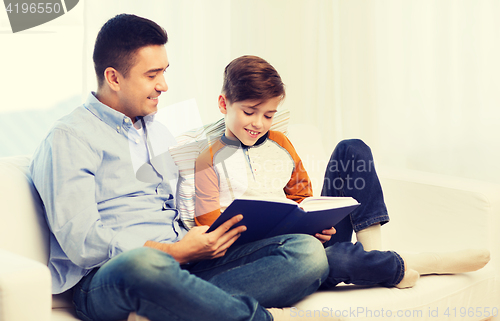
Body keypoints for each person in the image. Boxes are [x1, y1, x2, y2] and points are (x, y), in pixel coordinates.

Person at [29, 14, 332, 321]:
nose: (164, 85)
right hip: (110, 277)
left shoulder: (158, 132)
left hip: (185, 265)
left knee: (305, 253)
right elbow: (84, 245)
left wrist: (204, 241)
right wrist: (174, 252)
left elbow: (179, 210)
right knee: (143, 265)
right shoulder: (69, 138)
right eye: (152, 75)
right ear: (114, 77)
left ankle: (173, 306)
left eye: (164, 72)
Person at [194, 55, 491, 291]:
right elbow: (212, 234)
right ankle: (413, 264)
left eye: (269, 115)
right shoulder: (206, 160)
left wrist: (315, 222)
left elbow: (302, 198)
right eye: (249, 112)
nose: (258, 123)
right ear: (224, 103)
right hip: (281, 258)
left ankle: (373, 256)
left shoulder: (280, 143)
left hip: (311, 239)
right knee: (332, 259)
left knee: (352, 149)